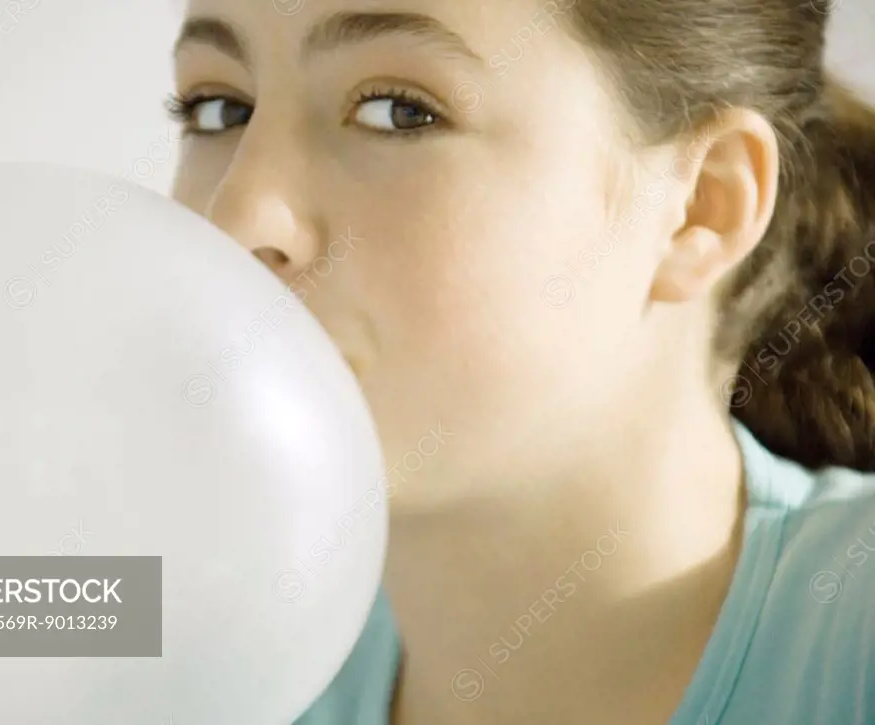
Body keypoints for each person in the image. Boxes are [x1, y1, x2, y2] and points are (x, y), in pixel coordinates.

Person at [168, 0, 875, 722]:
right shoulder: (196, 652)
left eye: (399, 112)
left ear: (701, 207)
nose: (237, 216)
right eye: (220, 109)